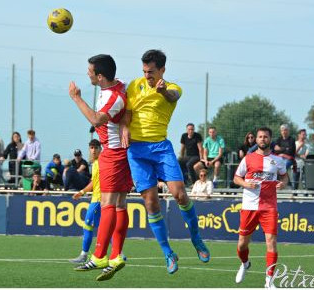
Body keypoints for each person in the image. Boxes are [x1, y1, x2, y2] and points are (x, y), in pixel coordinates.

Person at [120, 49, 210, 275]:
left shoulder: (173, 87)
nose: (147, 75)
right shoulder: (134, 86)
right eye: (144, 71)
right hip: (137, 151)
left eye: (151, 72)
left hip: (160, 147)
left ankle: (196, 239)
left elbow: (172, 97)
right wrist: (124, 129)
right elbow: (128, 113)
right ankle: (168, 253)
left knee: (179, 194)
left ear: (162, 70)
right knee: (151, 203)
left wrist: (162, 92)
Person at [69, 54, 133, 281]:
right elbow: (130, 105)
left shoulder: (113, 97)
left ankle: (99, 256)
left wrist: (76, 98)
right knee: (119, 204)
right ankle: (116, 256)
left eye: (90, 71)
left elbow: (96, 120)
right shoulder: (120, 86)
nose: (87, 73)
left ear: (100, 76)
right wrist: (126, 123)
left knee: (107, 204)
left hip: (114, 153)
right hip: (121, 152)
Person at [233, 127, 288, 288]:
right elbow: (236, 178)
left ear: (270, 139)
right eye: (260, 137)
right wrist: (245, 183)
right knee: (242, 244)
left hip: (269, 206)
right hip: (249, 206)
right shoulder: (248, 159)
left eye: (265, 137)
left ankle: (269, 281)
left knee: (271, 242)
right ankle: (245, 263)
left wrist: (283, 184)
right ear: (256, 140)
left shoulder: (278, 160)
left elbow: (285, 176)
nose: (262, 139)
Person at [69, 139, 102, 264]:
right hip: (97, 198)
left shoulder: (102, 162)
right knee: (105, 227)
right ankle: (119, 254)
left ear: (100, 148)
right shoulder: (95, 163)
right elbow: (94, 182)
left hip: (98, 199)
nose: (93, 150)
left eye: (95, 148)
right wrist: (82, 192)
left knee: (88, 225)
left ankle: (83, 255)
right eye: (91, 148)